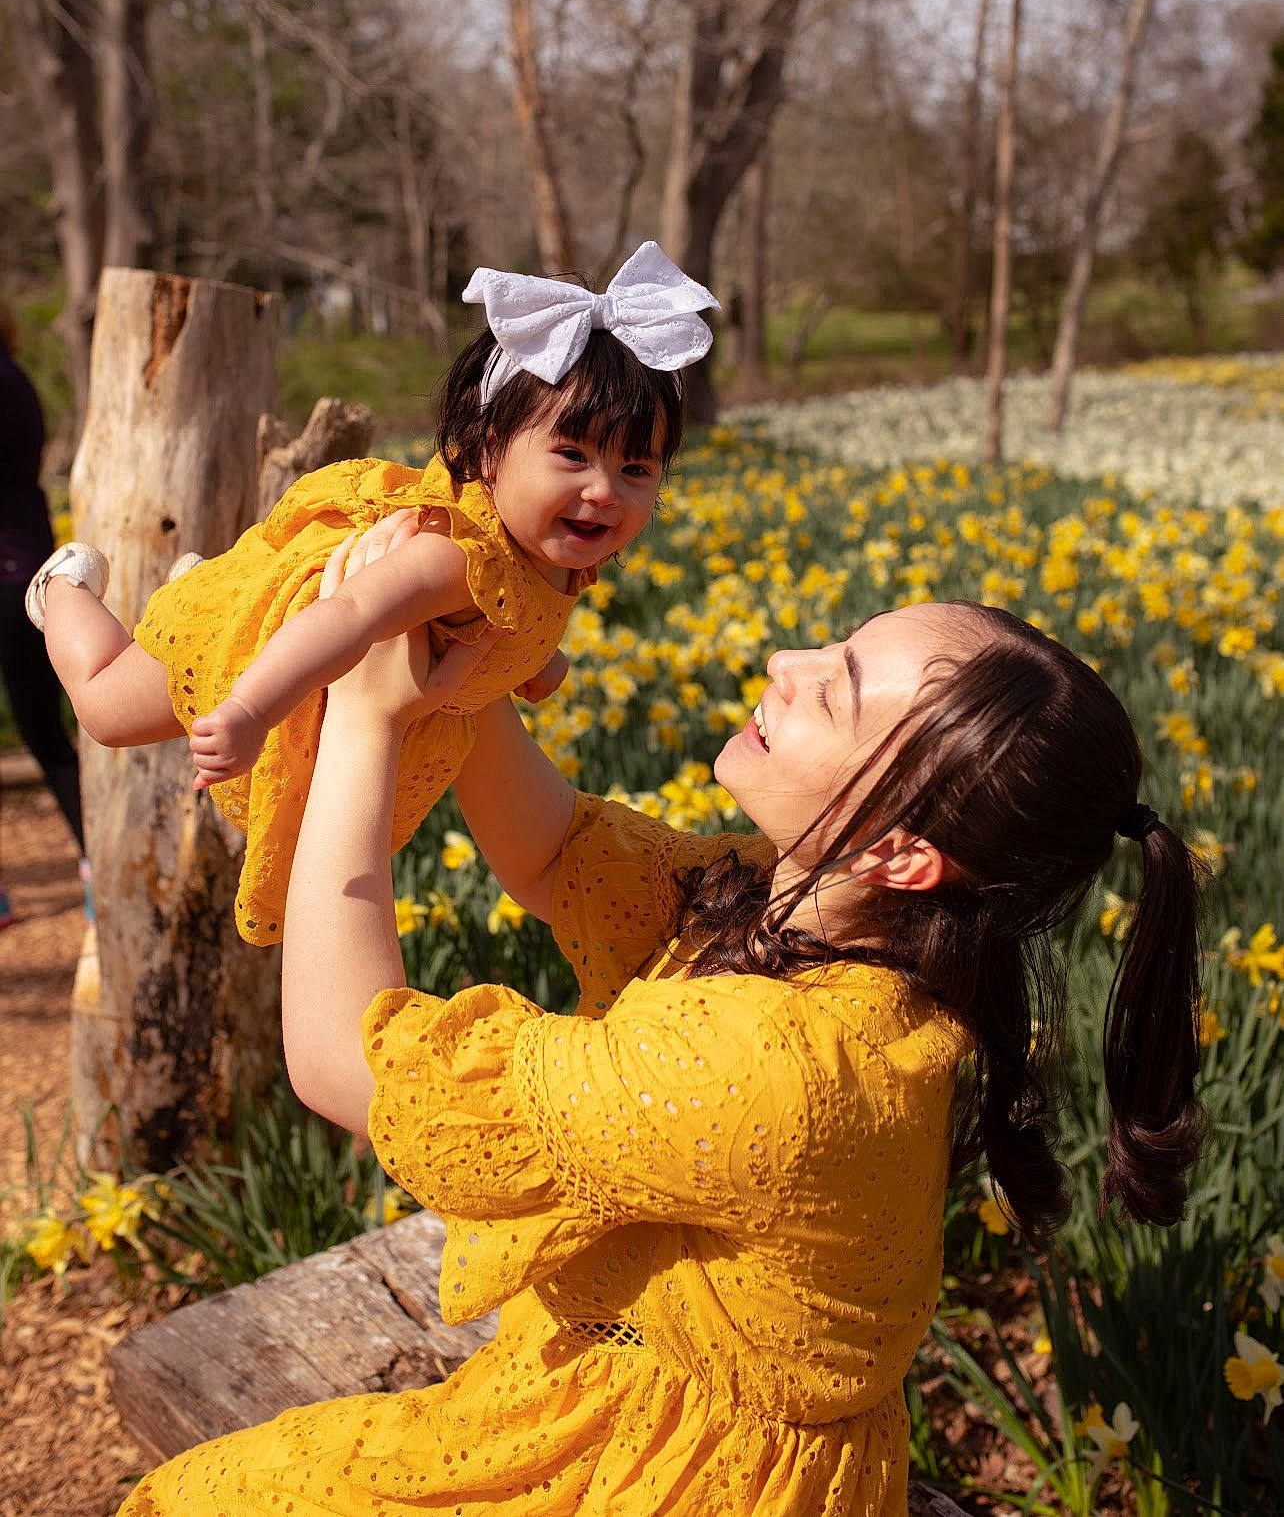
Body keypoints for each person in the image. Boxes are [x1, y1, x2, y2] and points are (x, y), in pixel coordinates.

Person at [118, 514, 1206, 1517]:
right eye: (830, 647)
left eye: (834, 692)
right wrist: (467, 648)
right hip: (657, 1397)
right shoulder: (806, 915)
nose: (788, 665)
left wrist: (361, 717)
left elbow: (337, 1060)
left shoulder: (779, 1064)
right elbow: (551, 851)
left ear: (902, 853)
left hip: (672, 1475)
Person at [25, 244, 717, 944]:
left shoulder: (553, 553)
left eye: (636, 467)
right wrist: (248, 710)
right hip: (274, 651)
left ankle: (205, 587)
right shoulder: (452, 560)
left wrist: (535, 661)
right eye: (572, 455)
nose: (603, 491)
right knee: (105, 708)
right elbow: (350, 613)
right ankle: (63, 587)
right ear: (485, 450)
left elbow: (506, 620)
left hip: (319, 666)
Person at [0, 299, 89, 928]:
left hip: (11, 576)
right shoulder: (14, 375)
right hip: (22, 567)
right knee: (46, 734)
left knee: (44, 733)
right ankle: (94, 863)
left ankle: (95, 866)